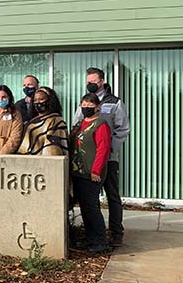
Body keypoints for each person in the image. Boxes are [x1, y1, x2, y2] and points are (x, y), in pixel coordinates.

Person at [72, 67, 130, 247]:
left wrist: (107, 149)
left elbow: (123, 129)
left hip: (109, 158)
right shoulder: (85, 102)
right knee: (89, 199)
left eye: (93, 81)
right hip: (88, 161)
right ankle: (94, 235)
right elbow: (77, 125)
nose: (90, 84)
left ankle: (116, 232)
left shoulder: (115, 102)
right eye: (88, 81)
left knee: (112, 195)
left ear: (102, 81)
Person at [70, 93, 111, 253]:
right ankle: (89, 239)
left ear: (98, 106)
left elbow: (103, 148)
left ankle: (100, 241)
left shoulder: (101, 124)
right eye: (84, 105)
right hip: (78, 172)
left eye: (90, 105)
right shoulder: (80, 123)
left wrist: (96, 170)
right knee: (85, 208)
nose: (87, 108)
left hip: (91, 173)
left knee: (92, 208)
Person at [18, 86, 68, 156]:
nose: (38, 102)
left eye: (41, 99)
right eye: (35, 100)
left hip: (45, 162)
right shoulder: (33, 120)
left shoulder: (55, 120)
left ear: (49, 100)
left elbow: (53, 149)